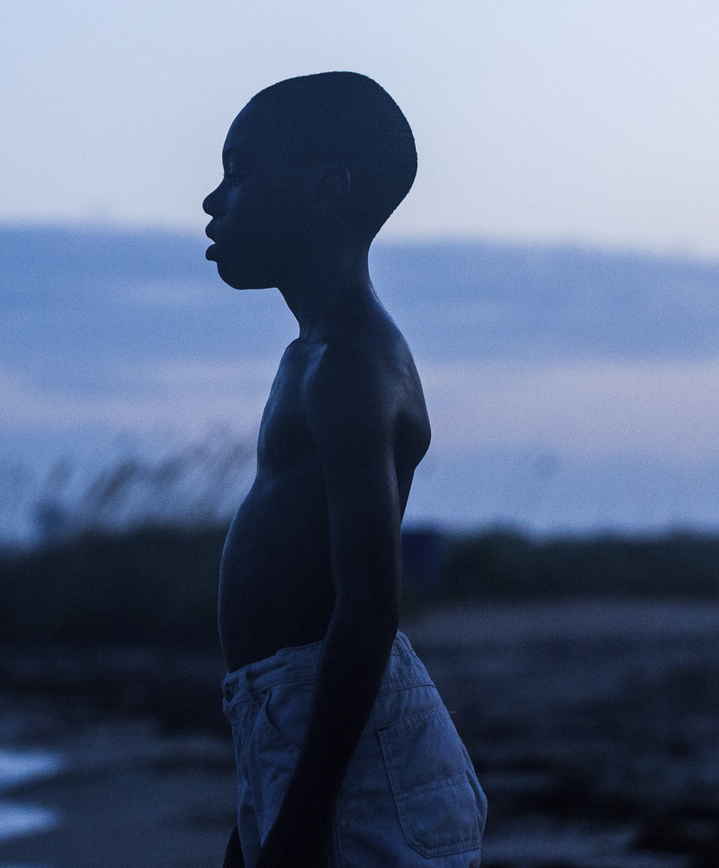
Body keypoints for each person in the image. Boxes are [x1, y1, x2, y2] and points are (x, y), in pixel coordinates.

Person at [204, 72, 486, 868]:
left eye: (239, 172)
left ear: (326, 190)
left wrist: (306, 812)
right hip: (306, 731)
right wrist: (264, 802)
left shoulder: (352, 368)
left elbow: (366, 608)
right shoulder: (312, 358)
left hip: (361, 759)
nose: (212, 201)